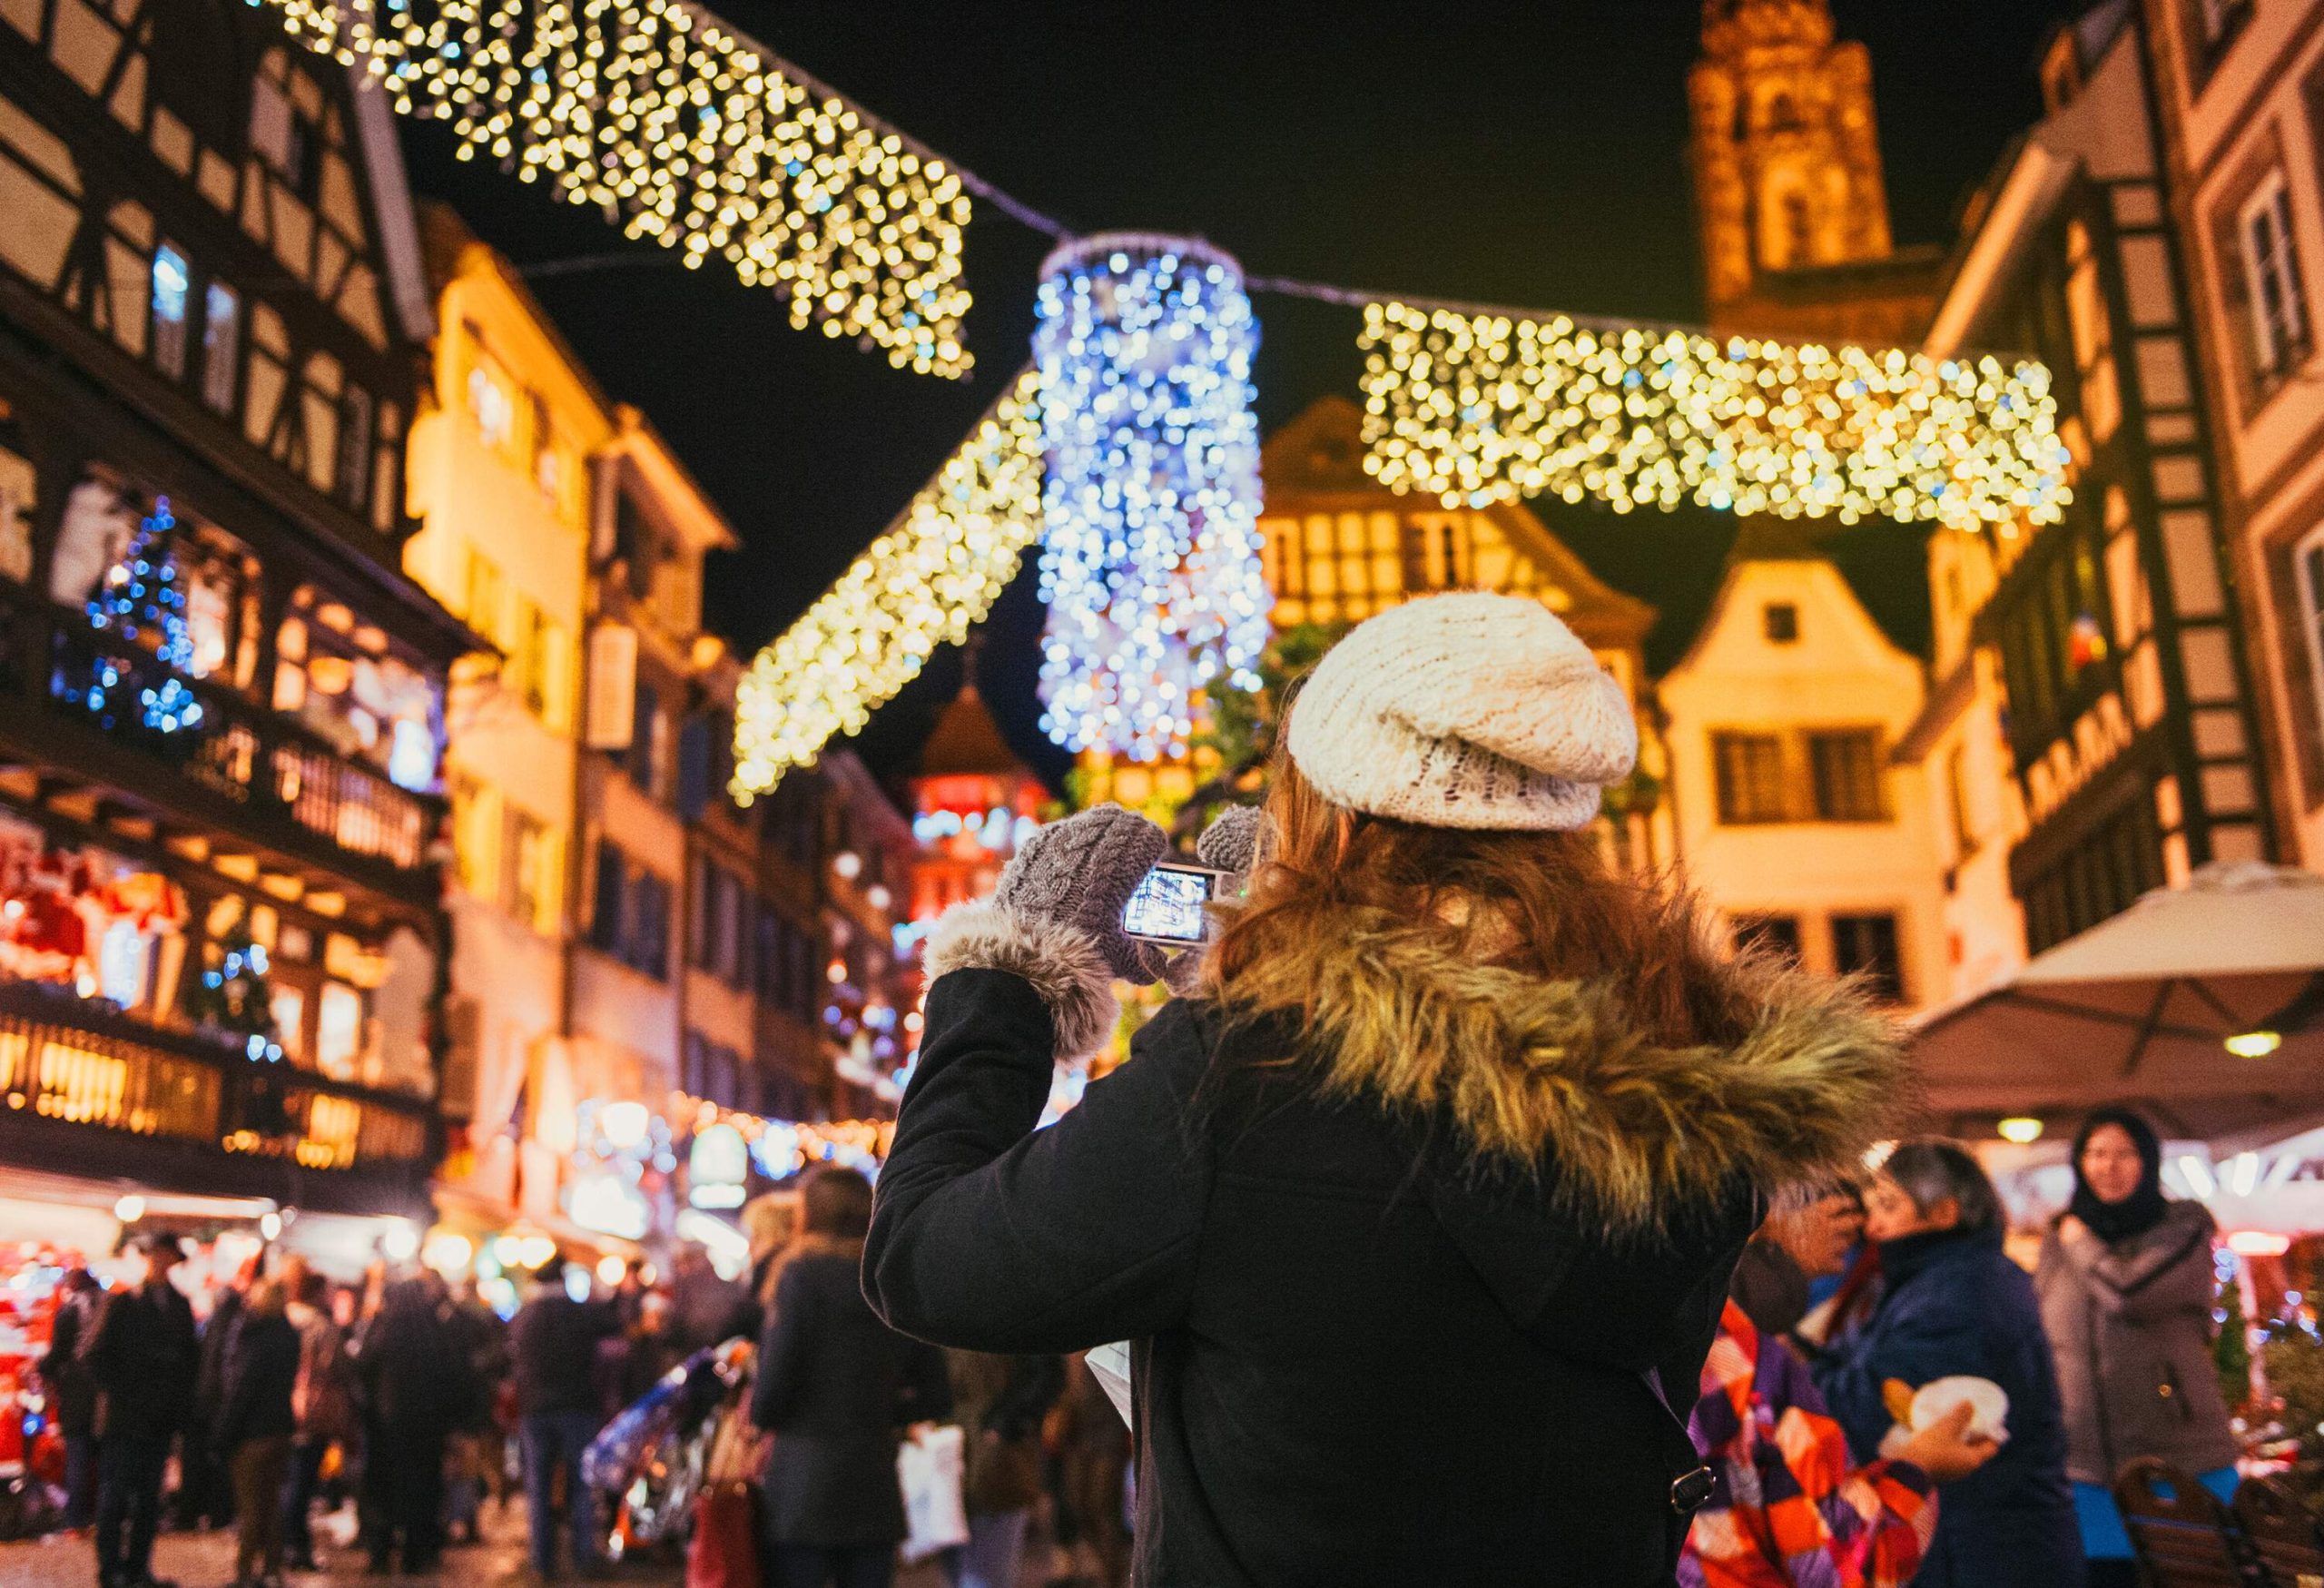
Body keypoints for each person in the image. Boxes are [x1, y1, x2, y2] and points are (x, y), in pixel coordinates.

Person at [865, 593, 1910, 1586]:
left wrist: (1004, 978)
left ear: (1333, 807)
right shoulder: (1690, 1066)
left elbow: (926, 1262)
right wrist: (1288, 958)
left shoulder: (1253, 1077)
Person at [1682, 1183, 2000, 1587]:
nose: (1856, 1219)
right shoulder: (1739, 1351)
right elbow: (1846, 1564)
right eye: (1814, 1186)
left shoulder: (1668, 1323)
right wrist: (1918, 1467)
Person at [1813, 1141, 2083, 1588]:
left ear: (1943, 1213)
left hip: (1989, 1553)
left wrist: (1784, 1379)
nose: (1873, 1226)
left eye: (1890, 1206)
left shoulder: (1960, 1296)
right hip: (1983, 1544)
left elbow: (1872, 1409)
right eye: (1871, 1208)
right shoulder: (1933, 1282)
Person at [2034, 1108, 2240, 1588]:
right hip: (2083, 1465)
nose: (2110, 1166)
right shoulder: (2058, 1238)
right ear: (2079, 1162)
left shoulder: (2183, 1225)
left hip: (2179, 1458)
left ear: (2148, 1161)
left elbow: (2129, 1293)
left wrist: (2080, 1240)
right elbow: (2042, 1325)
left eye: (2125, 1153)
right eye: (2097, 1153)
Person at [752, 1166, 951, 1588]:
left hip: (802, 1482)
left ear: (810, 1215)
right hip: (872, 1480)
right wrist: (879, 1409)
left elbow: (771, 1391)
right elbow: (937, 1394)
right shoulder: (892, 1278)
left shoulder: (800, 1276)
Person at [79, 1230, 199, 1588]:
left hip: (158, 1421)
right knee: (115, 1498)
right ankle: (111, 1569)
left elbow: (188, 1362)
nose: (162, 1263)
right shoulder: (123, 1303)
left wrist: (177, 1406)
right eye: (157, 1255)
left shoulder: (178, 1305)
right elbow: (92, 1355)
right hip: (124, 1420)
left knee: (148, 1500)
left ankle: (137, 1568)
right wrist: (122, 1392)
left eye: (168, 1256)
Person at [350, 1276, 474, 1574]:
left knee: (383, 1489)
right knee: (423, 1488)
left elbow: (362, 1369)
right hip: (427, 1428)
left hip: (386, 1427)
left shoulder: (383, 1328)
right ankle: (416, 1553)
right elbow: (454, 1377)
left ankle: (380, 1552)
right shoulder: (433, 1330)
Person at [508, 1259, 620, 1581]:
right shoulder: (580, 1313)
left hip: (536, 1411)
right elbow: (612, 1325)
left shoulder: (525, 1318)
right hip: (577, 1408)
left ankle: (542, 1562)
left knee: (539, 1487)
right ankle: (584, 1556)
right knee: (582, 1484)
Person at [940, 1350, 1065, 1588]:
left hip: (995, 1453)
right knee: (957, 1568)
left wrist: (1005, 1424)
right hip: (949, 1448)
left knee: (988, 1572)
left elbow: (1047, 1375)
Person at [216, 1278, 300, 1588]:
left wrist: (224, 1432)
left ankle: (245, 1572)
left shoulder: (256, 1335)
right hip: (279, 1428)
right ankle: (273, 1569)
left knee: (250, 1506)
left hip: (252, 1433)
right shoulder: (288, 1335)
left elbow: (242, 1388)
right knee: (272, 1503)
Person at [278, 1262, 354, 1571]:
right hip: (313, 1411)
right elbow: (337, 1367)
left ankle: (284, 1544)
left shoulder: (282, 1319)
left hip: (285, 1409)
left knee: (290, 1480)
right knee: (302, 1481)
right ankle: (296, 1545)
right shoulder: (321, 1327)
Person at [41, 1267, 103, 1534]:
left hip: (76, 1397)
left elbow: (58, 1353)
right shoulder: (110, 1307)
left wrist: (42, 1369)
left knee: (77, 1458)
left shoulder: (68, 1311)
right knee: (105, 1463)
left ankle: (76, 1521)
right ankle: (105, 1518)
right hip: (105, 1397)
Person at [666, 1243, 756, 1357]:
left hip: (701, 1360)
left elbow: (678, 1329)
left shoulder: (689, 1288)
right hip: (721, 1359)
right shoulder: (733, 1289)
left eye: (684, 1262)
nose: (681, 1268)